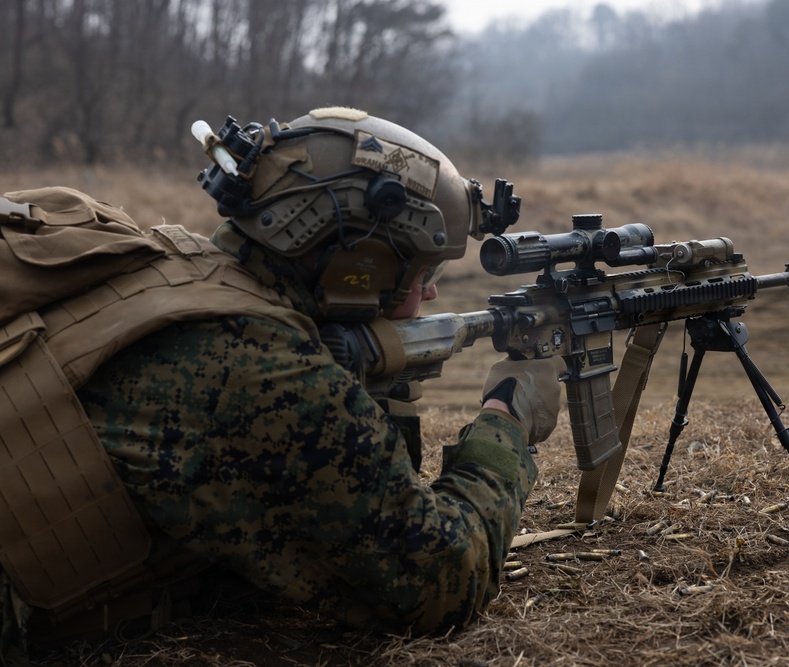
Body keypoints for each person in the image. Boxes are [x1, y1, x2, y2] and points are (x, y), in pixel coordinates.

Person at [0, 106, 563, 658]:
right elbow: (438, 581)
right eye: (424, 272)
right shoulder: (266, 374)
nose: (432, 295)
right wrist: (504, 422)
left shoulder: (178, 269)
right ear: (359, 263)